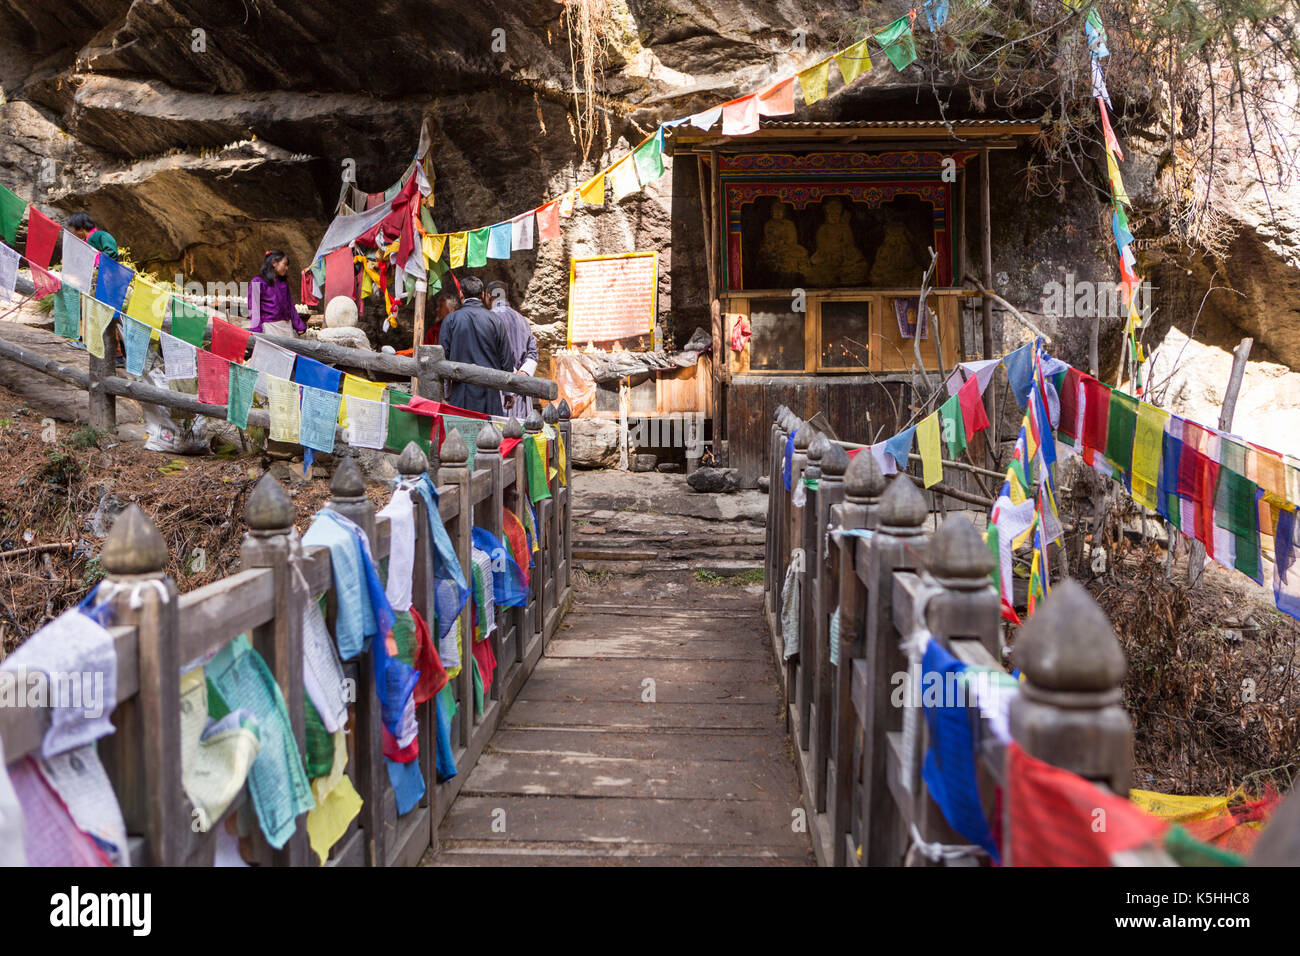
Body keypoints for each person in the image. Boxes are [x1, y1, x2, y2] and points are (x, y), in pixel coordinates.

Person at [438, 276, 514, 416]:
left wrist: (447, 391)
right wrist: (508, 392)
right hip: (490, 391)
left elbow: (443, 356)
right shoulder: (494, 320)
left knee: (461, 435)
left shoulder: (451, 320)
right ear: (483, 295)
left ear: (461, 293)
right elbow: (506, 359)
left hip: (461, 391)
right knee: (490, 435)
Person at [486, 279, 539, 420]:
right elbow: (533, 352)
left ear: (488, 296)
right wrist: (523, 373)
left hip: (500, 389)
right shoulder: (523, 320)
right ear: (506, 296)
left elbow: (491, 352)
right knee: (519, 435)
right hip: (521, 388)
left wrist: (512, 372)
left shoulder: (488, 319)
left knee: (497, 435)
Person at [248, 250, 305, 335]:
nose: (287, 268)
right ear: (274, 263)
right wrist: (256, 330)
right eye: (285, 264)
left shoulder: (283, 283)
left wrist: (298, 325)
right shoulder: (257, 281)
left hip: (286, 327)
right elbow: (254, 308)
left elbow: (290, 305)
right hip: (269, 327)